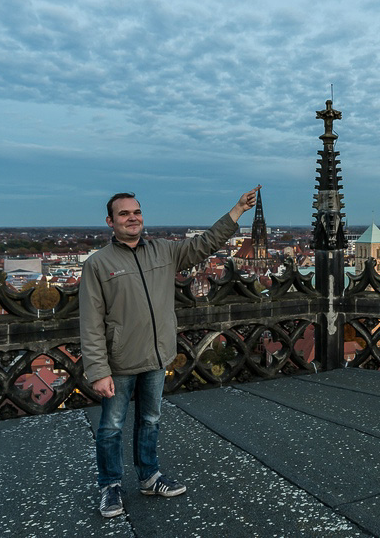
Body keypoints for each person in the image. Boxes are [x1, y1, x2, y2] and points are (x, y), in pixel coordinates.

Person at [79, 186, 260, 518]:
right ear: (110, 221)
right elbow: (90, 322)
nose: (132, 218)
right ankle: (110, 486)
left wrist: (237, 210)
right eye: (124, 213)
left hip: (157, 356)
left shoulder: (163, 251)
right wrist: (98, 370)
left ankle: (149, 476)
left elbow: (205, 245)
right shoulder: (98, 263)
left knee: (150, 420)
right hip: (118, 361)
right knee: (111, 427)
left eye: (136, 212)